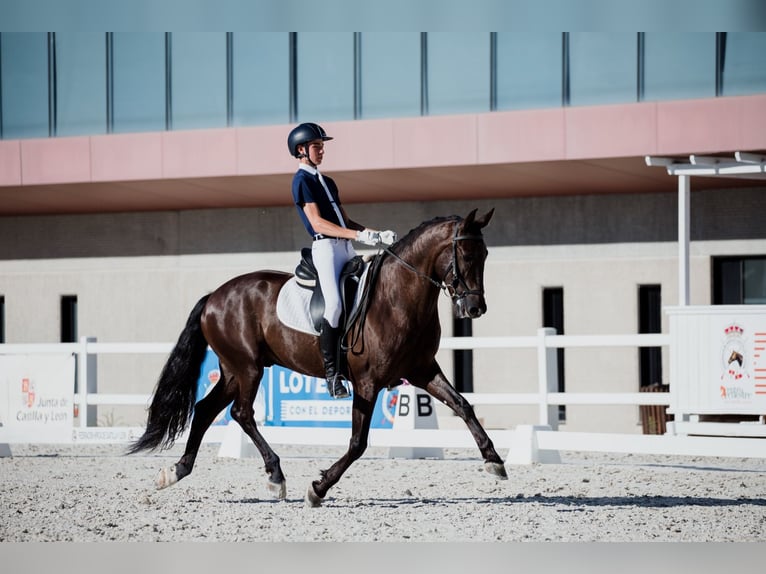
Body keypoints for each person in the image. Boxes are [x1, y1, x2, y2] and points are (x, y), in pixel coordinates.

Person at [288, 122, 397, 399]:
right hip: (325, 249)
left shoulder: (327, 181)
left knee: (372, 288)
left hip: (345, 246)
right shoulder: (301, 181)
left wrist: (374, 234)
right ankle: (332, 375)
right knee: (334, 306)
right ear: (301, 150)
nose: (322, 151)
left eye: (322, 146)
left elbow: (344, 221)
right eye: (316, 146)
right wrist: (358, 235)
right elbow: (318, 223)